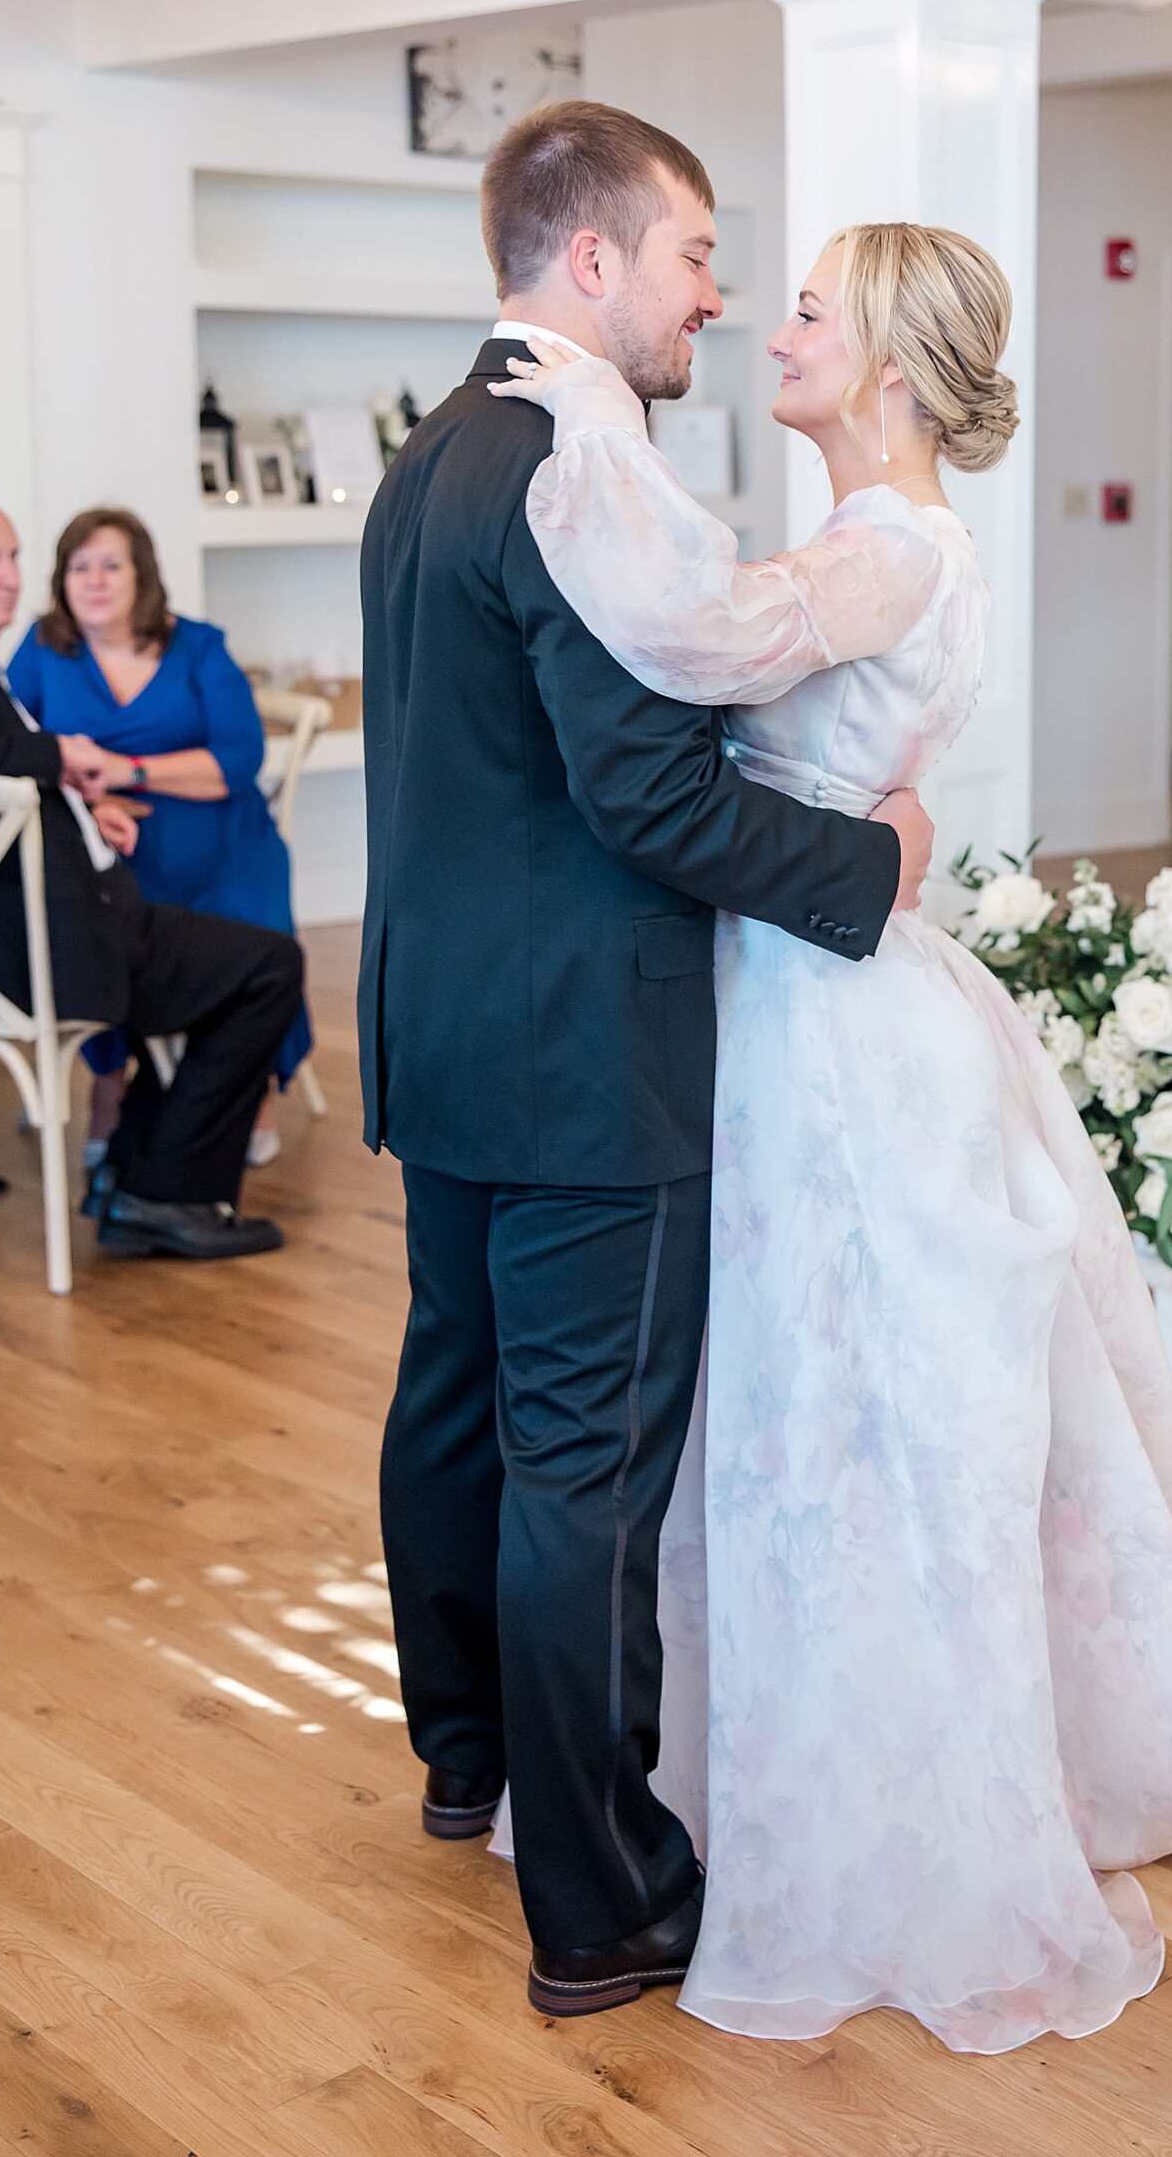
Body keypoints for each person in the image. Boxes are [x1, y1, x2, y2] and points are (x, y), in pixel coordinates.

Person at [488, 219, 1172, 2053]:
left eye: (808, 309)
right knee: (779, 1403)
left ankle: (871, 1802)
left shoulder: (889, 552)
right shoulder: (867, 544)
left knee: (840, 1419)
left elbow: (693, 636)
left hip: (826, 1023)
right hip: (799, 980)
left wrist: (578, 432)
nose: (774, 330)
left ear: (885, 362)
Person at [363, 101, 933, 2024]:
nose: (715, 295)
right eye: (693, 255)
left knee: (455, 1404)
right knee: (580, 1470)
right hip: (585, 1049)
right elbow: (649, 802)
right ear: (591, 261)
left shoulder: (429, 455)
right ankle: (603, 1905)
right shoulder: (577, 482)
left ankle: (467, 1757)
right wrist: (877, 868)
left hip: (440, 1022)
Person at [0, 504, 301, 1260]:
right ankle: (164, 1192)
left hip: (77, 909)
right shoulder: (35, 658)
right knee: (268, 968)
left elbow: (234, 759)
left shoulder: (192, 647)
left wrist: (86, 807)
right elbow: (22, 769)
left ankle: (137, 1171)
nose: (7, 579)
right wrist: (72, 793)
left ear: (143, 575)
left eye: (11, 558)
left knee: (235, 950)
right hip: (57, 940)